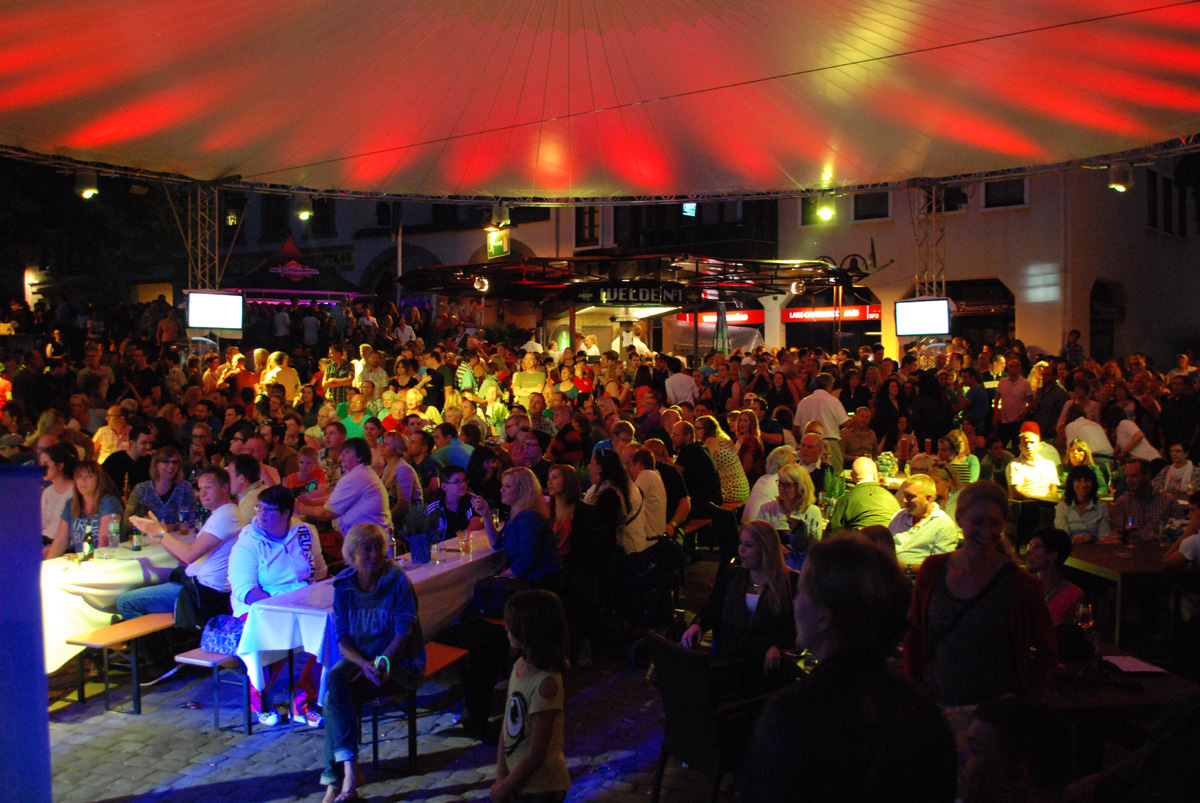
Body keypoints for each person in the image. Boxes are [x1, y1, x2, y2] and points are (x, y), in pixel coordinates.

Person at [741, 534, 957, 803]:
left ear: (824, 616)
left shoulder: (794, 714)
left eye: (803, 591)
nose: (795, 601)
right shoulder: (923, 714)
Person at [905, 481, 1058, 711]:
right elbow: (915, 633)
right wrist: (916, 689)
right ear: (959, 519)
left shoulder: (1021, 584)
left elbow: (1047, 651)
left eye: (994, 523)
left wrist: (1026, 702)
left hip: (996, 721)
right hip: (938, 709)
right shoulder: (933, 570)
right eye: (977, 522)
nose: (987, 532)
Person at [320, 523, 425, 803]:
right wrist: (364, 664)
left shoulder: (397, 581)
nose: (374, 554)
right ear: (352, 554)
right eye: (366, 548)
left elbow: (404, 633)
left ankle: (337, 781)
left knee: (333, 699)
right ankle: (349, 775)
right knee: (335, 681)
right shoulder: (343, 586)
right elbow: (342, 640)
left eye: (378, 547)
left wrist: (379, 663)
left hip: (397, 662)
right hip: (361, 660)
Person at [228, 485, 328, 725]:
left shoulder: (305, 533)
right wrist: (283, 606)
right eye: (259, 508)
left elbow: (320, 572)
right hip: (260, 610)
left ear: (286, 513)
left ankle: (304, 701)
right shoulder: (248, 542)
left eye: (269, 510)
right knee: (274, 635)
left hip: (302, 605)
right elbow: (245, 591)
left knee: (331, 633)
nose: (261, 515)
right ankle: (259, 701)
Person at [120, 465, 242, 633]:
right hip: (199, 587)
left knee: (125, 602)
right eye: (200, 489)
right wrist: (158, 535)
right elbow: (186, 554)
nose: (203, 494)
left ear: (225, 488)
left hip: (203, 594)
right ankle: (163, 647)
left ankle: (155, 657)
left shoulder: (226, 515)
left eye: (208, 488)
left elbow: (189, 555)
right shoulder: (224, 514)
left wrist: (160, 533)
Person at [680, 520, 798, 695]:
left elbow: (795, 625)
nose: (741, 550)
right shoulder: (732, 576)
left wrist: (778, 646)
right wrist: (698, 625)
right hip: (730, 650)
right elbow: (712, 608)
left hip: (764, 658)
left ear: (765, 550)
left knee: (754, 646)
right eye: (740, 543)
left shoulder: (789, 582)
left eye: (748, 545)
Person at [492, 590, 572, 803]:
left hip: (541, 788)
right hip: (519, 782)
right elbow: (508, 725)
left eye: (512, 623)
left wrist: (504, 787)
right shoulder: (520, 666)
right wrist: (502, 774)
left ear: (530, 631)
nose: (506, 627)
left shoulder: (547, 684)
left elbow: (536, 754)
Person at [475, 467, 560, 583]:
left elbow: (526, 561)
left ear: (523, 490)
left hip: (535, 584)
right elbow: (497, 543)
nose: (501, 490)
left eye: (508, 486)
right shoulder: (516, 514)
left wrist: (498, 579)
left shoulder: (529, 516)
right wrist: (485, 515)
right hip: (526, 579)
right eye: (503, 485)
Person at [45, 460, 123, 559]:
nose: (83, 481)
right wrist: (47, 567)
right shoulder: (71, 504)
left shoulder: (108, 502)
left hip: (104, 560)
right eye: (79, 476)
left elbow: (104, 543)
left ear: (98, 479)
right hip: (81, 561)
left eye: (89, 476)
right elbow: (60, 542)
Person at [756, 464, 822, 568]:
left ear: (800, 487)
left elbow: (815, 548)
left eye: (787, 485)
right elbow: (756, 538)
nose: (781, 488)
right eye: (780, 483)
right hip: (772, 565)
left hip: (801, 568)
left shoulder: (812, 512)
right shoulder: (767, 509)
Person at [888, 474, 959, 570]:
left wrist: (908, 568)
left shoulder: (943, 524)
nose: (905, 500)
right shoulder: (899, 516)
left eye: (910, 497)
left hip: (918, 579)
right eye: (905, 495)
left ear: (928, 498)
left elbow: (941, 566)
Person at [124, 447, 196, 536]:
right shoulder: (142, 489)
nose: (171, 466)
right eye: (166, 462)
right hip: (148, 541)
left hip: (178, 540)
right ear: (156, 465)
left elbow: (192, 520)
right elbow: (127, 522)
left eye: (175, 462)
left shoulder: (185, 488)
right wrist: (143, 523)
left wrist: (171, 527)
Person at [1024, 526, 1085, 626]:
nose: (1028, 552)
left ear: (1053, 555)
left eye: (1035, 547)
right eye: (1028, 546)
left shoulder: (1073, 595)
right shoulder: (1025, 587)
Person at [824, 456, 901, 534]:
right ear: (876, 475)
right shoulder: (892, 499)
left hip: (860, 543)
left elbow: (833, 531)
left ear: (852, 476)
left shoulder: (847, 499)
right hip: (889, 542)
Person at [1108, 458, 1173, 544]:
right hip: (1134, 550)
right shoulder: (1123, 502)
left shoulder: (1167, 501)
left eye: (1134, 476)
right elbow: (1117, 532)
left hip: (1161, 550)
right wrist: (1115, 540)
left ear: (1148, 475)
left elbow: (1179, 528)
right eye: (1127, 476)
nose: (1128, 480)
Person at [1055, 464, 1112, 543]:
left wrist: (1090, 539)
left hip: (1095, 549)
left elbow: (1104, 537)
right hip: (1070, 549)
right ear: (1071, 483)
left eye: (1087, 480)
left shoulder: (1102, 507)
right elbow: (1062, 537)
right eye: (1078, 481)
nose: (1083, 485)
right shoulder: (1062, 507)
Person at [1007, 424, 1060, 502]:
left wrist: (1044, 500)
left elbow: (1053, 489)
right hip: (1026, 505)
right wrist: (1037, 500)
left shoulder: (1049, 465)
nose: (1029, 446)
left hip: (1047, 504)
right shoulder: (1014, 465)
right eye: (1025, 443)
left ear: (1039, 446)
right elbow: (1016, 492)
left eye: (1032, 442)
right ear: (1020, 447)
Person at [40, 442, 79, 545]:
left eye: (45, 464)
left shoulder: (75, 491)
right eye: (41, 465)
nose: (42, 469)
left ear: (60, 466)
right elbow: (42, 523)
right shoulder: (48, 492)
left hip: (64, 545)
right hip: (45, 540)